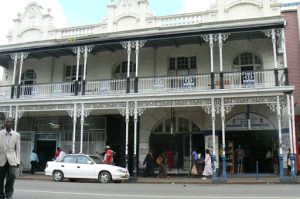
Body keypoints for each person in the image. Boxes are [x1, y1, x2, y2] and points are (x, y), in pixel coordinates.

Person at [0, 117, 21, 199]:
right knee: (0, 179)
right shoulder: (0, 133)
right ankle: (1, 195)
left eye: (9, 122)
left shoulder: (17, 135)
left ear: (12, 123)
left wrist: (18, 161)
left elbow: (18, 149)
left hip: (12, 159)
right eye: (6, 121)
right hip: (1, 159)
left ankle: (8, 195)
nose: (7, 123)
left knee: (12, 177)